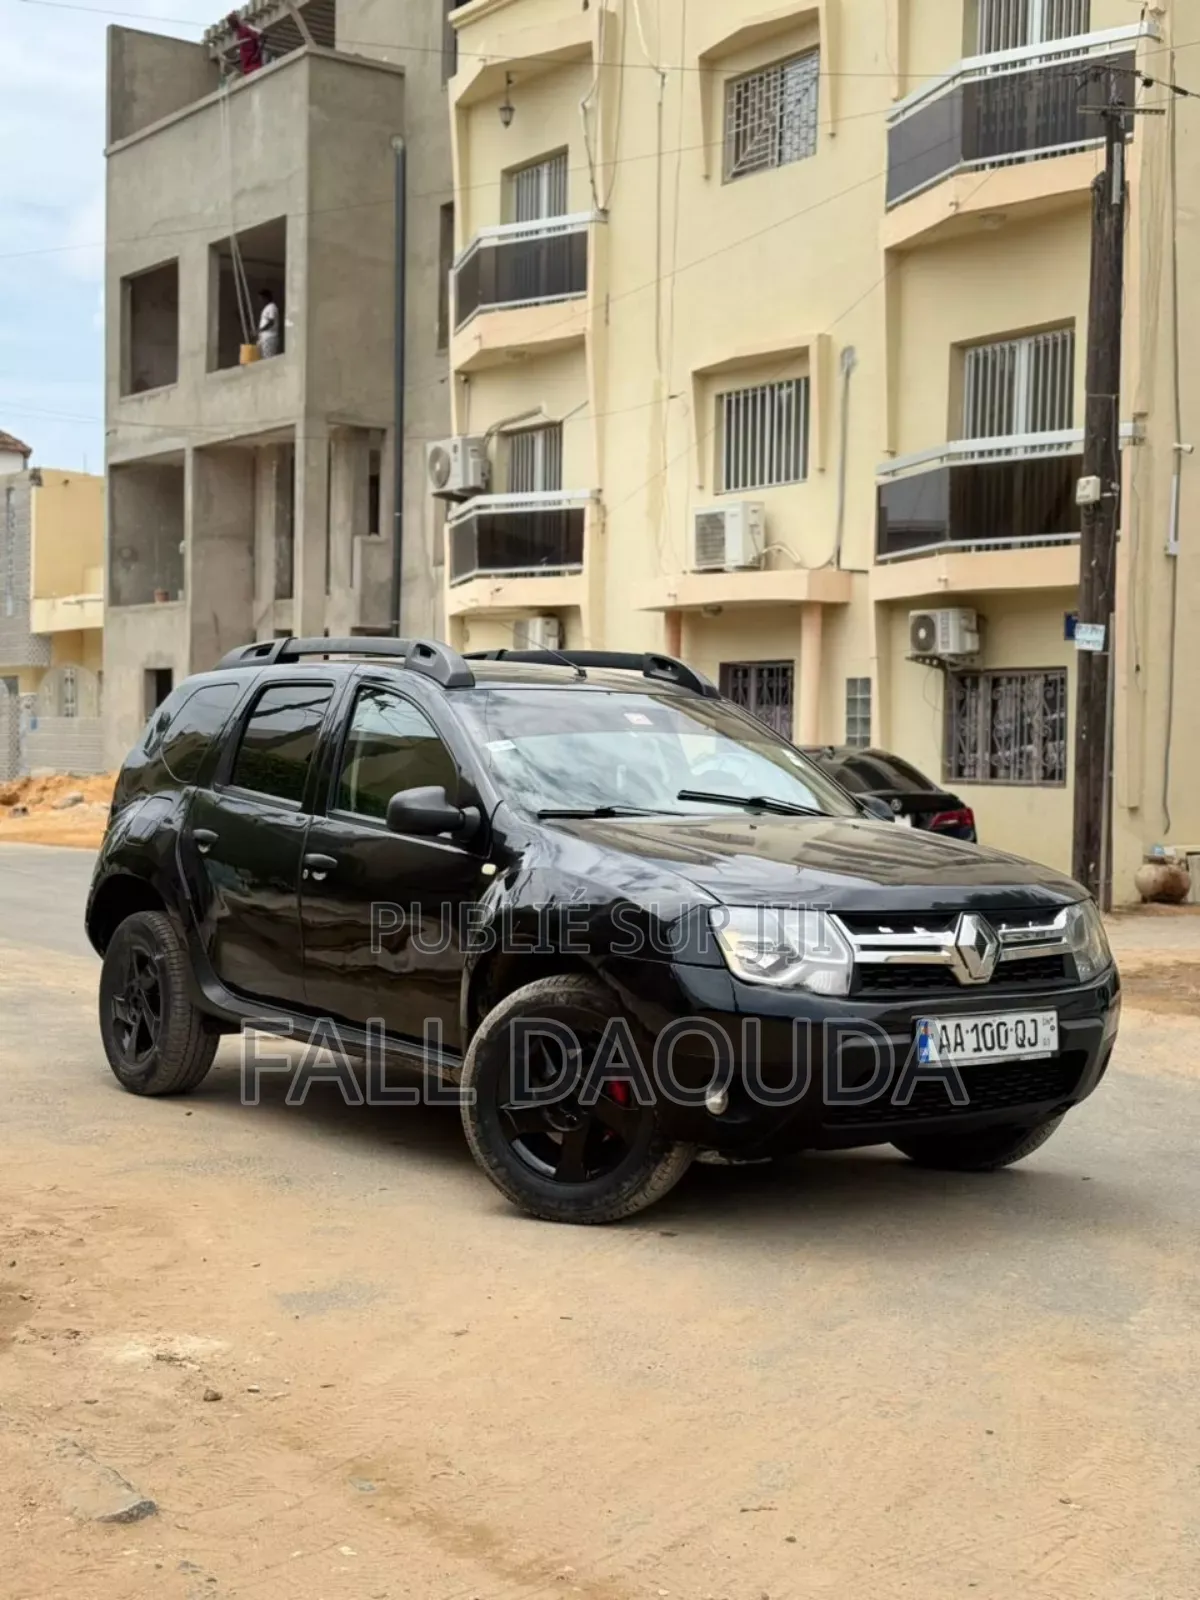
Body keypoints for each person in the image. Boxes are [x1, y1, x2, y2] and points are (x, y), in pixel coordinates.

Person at [257, 290, 281, 359]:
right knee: (262, 357)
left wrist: (259, 330)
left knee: (268, 358)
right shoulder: (267, 308)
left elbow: (271, 322)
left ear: (266, 298)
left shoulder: (272, 307)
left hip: (270, 337)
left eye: (261, 299)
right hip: (264, 338)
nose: (260, 301)